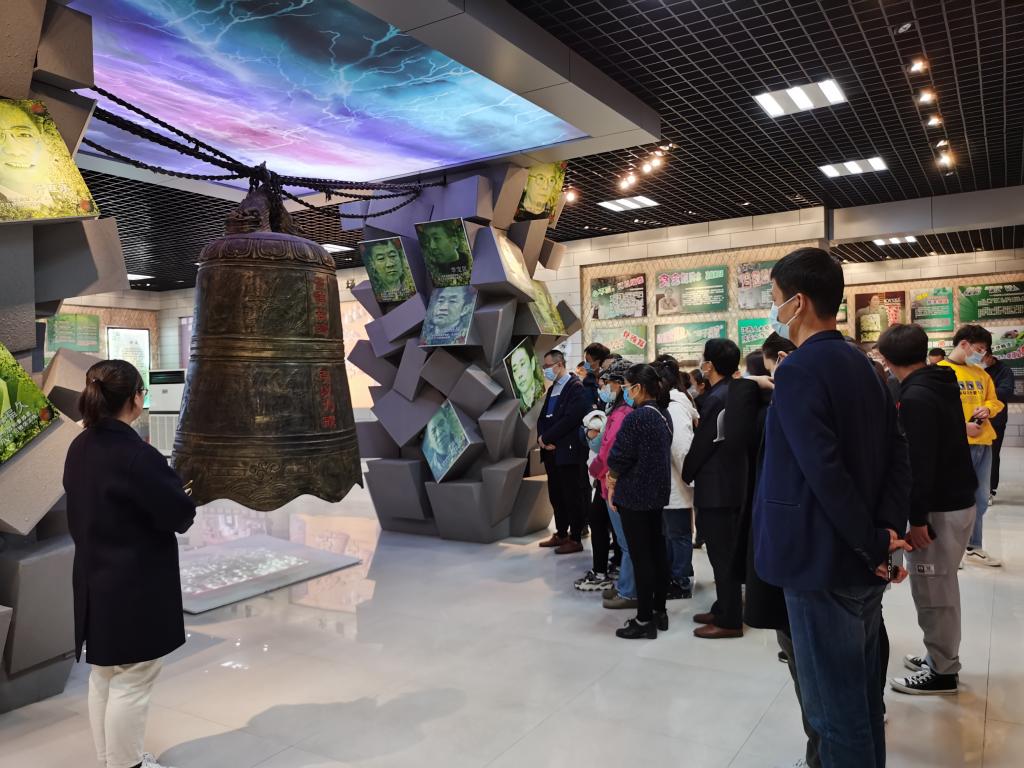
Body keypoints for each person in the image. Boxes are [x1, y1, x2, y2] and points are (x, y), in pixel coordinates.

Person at [754, 247, 911, 768]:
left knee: (833, 714)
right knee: (861, 701)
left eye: (775, 298)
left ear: (798, 303)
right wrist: (884, 533)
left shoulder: (799, 371)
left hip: (821, 562)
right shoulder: (868, 367)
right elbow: (898, 455)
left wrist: (870, 541)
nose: (774, 309)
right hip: (863, 558)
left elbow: (823, 473)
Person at [63, 360, 196, 768]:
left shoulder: (79, 447)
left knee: (105, 675)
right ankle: (126, 765)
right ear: (135, 399)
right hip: (134, 587)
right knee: (133, 679)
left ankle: (111, 760)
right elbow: (179, 514)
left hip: (94, 580)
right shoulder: (137, 455)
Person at [877, 324, 977, 695]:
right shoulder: (939, 380)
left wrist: (917, 520)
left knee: (934, 591)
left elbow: (919, 465)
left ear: (886, 359)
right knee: (939, 585)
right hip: (955, 500)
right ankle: (939, 655)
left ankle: (943, 671)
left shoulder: (915, 397)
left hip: (938, 508)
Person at [681, 338, 748, 639]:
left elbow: (703, 443)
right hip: (731, 483)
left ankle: (730, 620)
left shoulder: (716, 398)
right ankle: (723, 607)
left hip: (717, 487)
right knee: (724, 553)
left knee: (722, 555)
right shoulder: (734, 391)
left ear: (709, 365)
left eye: (703, 359)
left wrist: (687, 472)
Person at [606, 363, 674, 639]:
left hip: (635, 495)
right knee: (657, 553)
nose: (624, 391)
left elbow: (620, 455)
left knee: (641, 557)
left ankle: (644, 619)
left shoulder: (637, 417)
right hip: (656, 494)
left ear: (638, 388)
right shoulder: (663, 414)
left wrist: (611, 478)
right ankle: (659, 610)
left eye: (626, 386)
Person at [938, 325, 1004, 567]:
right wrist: (961, 427)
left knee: (981, 498)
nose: (981, 354)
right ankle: (950, 549)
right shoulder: (940, 372)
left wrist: (988, 408)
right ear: (964, 344)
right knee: (954, 499)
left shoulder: (980, 374)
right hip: (956, 446)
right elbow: (935, 410)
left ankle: (973, 546)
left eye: (984, 350)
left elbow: (994, 401)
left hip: (983, 442)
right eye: (979, 349)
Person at [588, 360, 637, 608]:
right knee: (624, 541)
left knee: (627, 543)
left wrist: (595, 469)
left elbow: (609, 450)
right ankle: (626, 586)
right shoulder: (620, 412)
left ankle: (629, 592)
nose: (604, 387)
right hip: (612, 483)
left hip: (615, 484)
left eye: (607, 383)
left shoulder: (622, 414)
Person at [537, 350, 592, 554]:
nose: (545, 370)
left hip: (567, 451)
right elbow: (543, 418)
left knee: (572, 495)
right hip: (551, 452)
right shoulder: (552, 389)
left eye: (547, 366)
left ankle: (575, 537)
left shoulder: (575, 387)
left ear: (559, 364)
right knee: (556, 495)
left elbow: (570, 419)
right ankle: (561, 533)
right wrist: (542, 439)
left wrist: (548, 438)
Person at [655, 357, 698, 599]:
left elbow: (682, 448)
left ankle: (681, 580)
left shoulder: (674, 405)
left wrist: (688, 478)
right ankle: (675, 575)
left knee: (678, 534)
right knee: (672, 533)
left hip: (677, 482)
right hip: (670, 482)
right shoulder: (672, 402)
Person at [982, 347, 1015, 504]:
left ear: (990, 356)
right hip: (974, 418)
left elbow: (1006, 391)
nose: (979, 361)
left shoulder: (1004, 370)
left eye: (982, 358)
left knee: (992, 454)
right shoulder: (973, 369)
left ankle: (989, 490)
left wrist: (985, 392)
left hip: (996, 419)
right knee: (974, 454)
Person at [416, 219, 472, 285]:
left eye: (436, 238)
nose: (432, 246)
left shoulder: (469, 269)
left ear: (454, 242)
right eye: (427, 240)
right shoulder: (431, 271)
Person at [361, 237, 413, 302]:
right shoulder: (379, 295)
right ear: (372, 264)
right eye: (381, 258)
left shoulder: (412, 288)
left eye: (392, 255)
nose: (390, 264)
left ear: (400, 257)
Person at [506, 342, 545, 413]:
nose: (519, 375)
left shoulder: (542, 390)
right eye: (515, 370)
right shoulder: (517, 408)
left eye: (522, 364)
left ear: (532, 364)